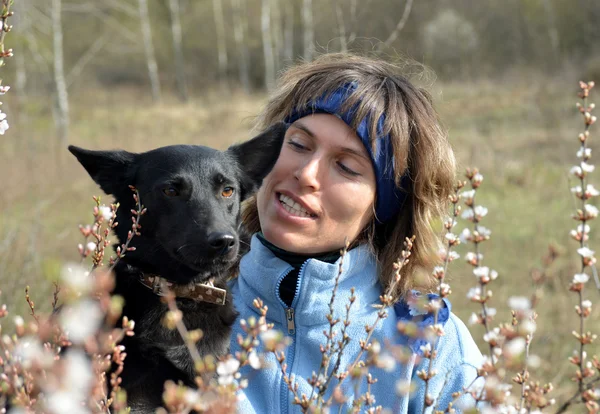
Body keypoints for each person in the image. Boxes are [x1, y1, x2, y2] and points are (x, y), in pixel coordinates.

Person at [228, 53, 482, 413]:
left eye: (346, 166)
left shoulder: (429, 346)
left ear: (383, 208)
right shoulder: (180, 316)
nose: (307, 173)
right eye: (298, 144)